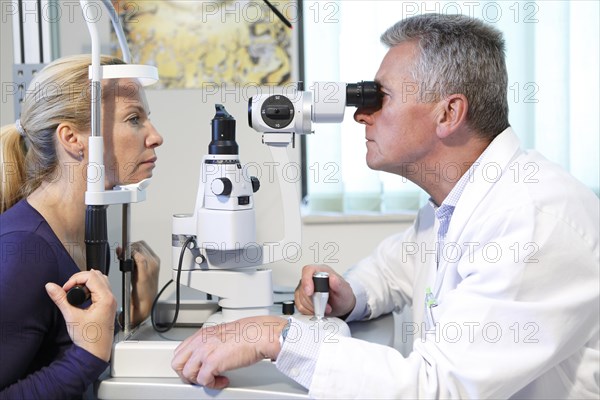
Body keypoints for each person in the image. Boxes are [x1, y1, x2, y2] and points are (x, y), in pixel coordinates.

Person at [171, 13, 599, 399]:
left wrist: (278, 337)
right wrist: (349, 294)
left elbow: (439, 389)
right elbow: (393, 270)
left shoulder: (531, 220)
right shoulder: (454, 202)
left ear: (448, 113)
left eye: (382, 98)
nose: (361, 115)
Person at [0, 54, 163, 398]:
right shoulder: (23, 252)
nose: (155, 136)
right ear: (72, 138)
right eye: (134, 119)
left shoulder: (90, 230)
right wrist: (86, 357)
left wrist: (134, 313)